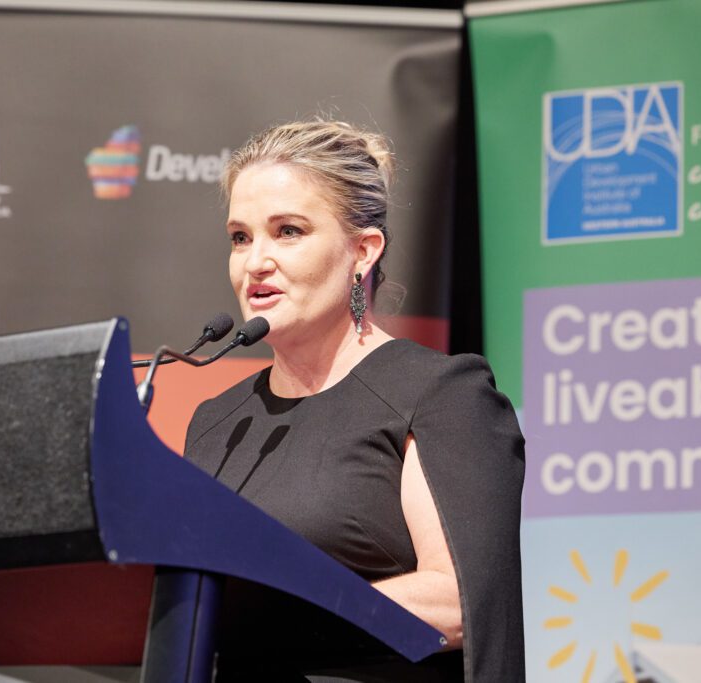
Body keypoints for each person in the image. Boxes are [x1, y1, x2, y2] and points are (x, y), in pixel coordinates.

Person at [184, 120, 525, 682]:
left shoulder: (441, 395)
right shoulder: (216, 425)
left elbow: (461, 602)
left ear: (362, 251)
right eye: (240, 237)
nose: (255, 261)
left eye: (288, 231)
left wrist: (272, 618)